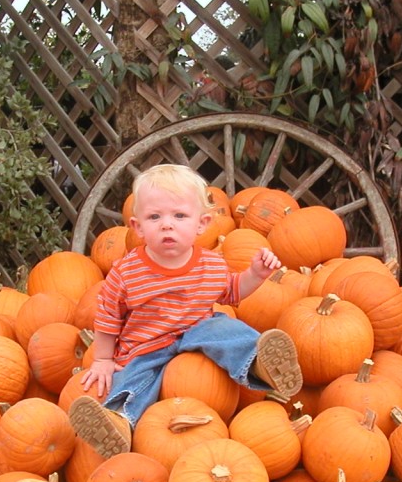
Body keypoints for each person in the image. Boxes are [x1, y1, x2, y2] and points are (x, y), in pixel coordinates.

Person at [69, 162, 303, 458]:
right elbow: (108, 315)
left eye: (179, 216)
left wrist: (254, 275)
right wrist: (102, 358)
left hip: (196, 330)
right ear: (138, 227)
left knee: (225, 329)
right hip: (147, 346)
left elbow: (231, 292)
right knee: (134, 379)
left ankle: (263, 363)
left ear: (201, 224)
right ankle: (117, 424)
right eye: (155, 217)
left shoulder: (211, 265)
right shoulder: (126, 272)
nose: (167, 224)